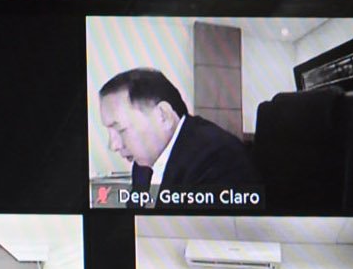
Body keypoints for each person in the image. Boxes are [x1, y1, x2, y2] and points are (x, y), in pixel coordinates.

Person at [97, 68, 262, 196]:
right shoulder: (143, 165)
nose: (113, 145)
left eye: (120, 129)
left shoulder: (219, 158)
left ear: (163, 116)